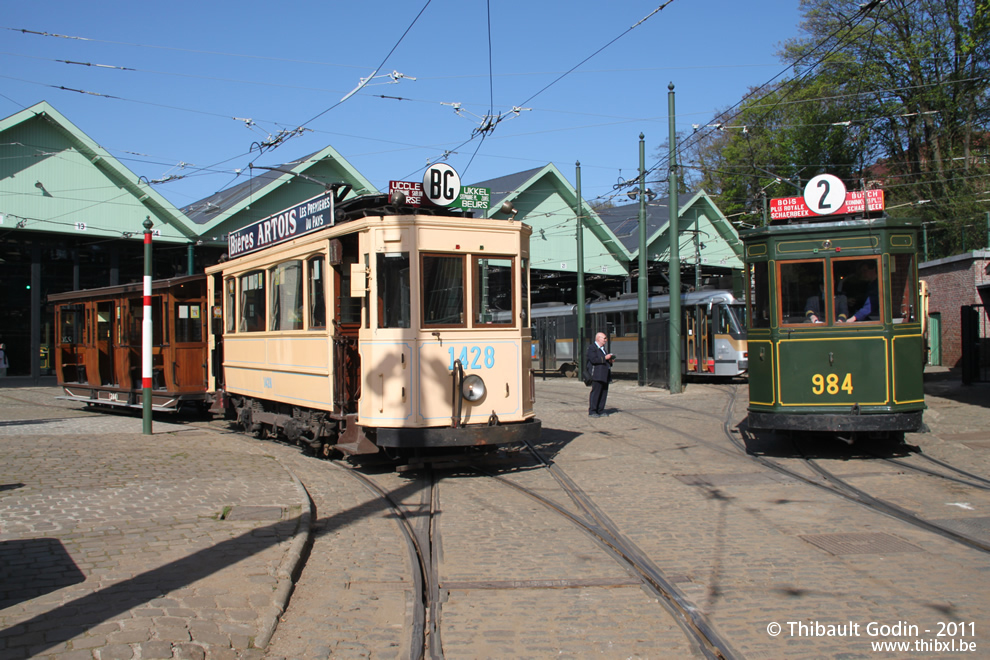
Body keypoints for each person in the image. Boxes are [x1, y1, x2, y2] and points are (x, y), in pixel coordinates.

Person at [586, 332, 614, 418]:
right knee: (596, 392)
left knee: (604, 393)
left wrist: (610, 361)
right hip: (597, 374)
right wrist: (605, 358)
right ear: (598, 338)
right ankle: (593, 410)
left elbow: (605, 361)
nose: (606, 340)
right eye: (604, 338)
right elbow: (594, 360)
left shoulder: (603, 349)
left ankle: (600, 410)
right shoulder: (592, 348)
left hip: (605, 374)